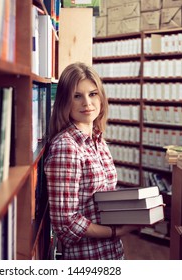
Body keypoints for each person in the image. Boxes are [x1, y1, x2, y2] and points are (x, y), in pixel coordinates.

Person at [44, 62, 139, 260]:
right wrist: (115, 232)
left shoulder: (98, 140)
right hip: (88, 257)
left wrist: (139, 210)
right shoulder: (66, 147)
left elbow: (99, 198)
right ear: (65, 102)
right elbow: (65, 223)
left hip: (111, 253)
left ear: (101, 98)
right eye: (77, 96)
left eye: (93, 94)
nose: (87, 103)